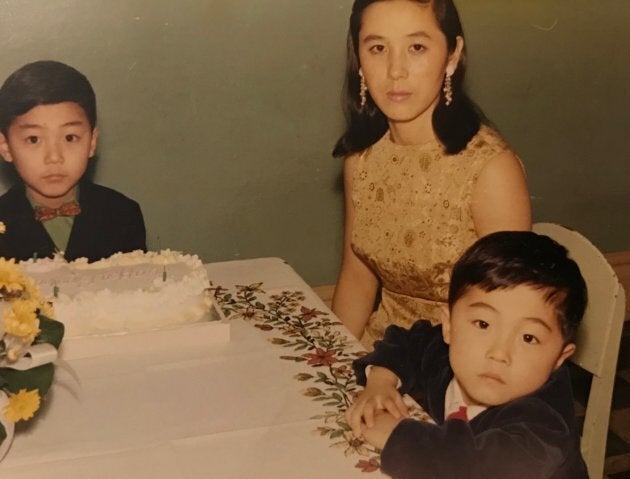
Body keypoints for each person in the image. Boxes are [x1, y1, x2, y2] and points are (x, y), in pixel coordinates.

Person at [331, 0, 532, 349]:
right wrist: (332, 358)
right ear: (359, 61)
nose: (396, 70)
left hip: (461, 367)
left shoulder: (490, 169)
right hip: (380, 351)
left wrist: (393, 373)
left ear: (452, 55)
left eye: (417, 47)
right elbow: (357, 279)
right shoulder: (361, 161)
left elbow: (505, 318)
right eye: (378, 48)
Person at [345, 231, 588, 478]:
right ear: (449, 326)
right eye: (483, 324)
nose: (499, 353)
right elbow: (409, 343)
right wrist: (381, 381)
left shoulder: (545, 424)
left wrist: (397, 436)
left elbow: (475, 468)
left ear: (559, 357)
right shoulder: (447, 351)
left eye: (528, 338)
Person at [0, 60, 146, 262]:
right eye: (33, 139)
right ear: (5, 147)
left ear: (92, 142)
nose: (54, 157)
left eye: (70, 137)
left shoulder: (121, 214)